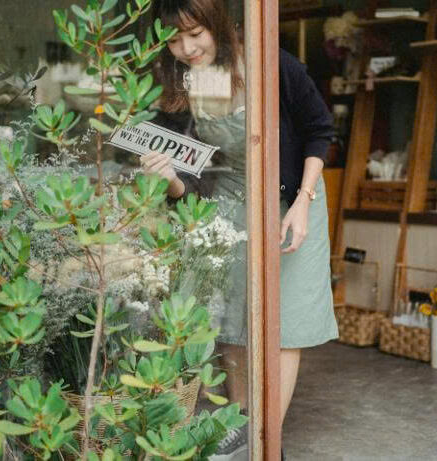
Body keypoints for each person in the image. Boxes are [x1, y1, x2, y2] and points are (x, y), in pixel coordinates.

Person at [143, 1, 339, 459]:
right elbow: (188, 181)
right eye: (174, 40)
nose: (186, 48)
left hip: (295, 199)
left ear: (216, 25)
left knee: (287, 322)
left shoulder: (274, 65)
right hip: (229, 200)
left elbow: (320, 131)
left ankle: (270, 439)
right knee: (230, 317)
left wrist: (303, 204)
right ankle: (240, 418)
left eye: (195, 34)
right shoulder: (182, 84)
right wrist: (167, 178)